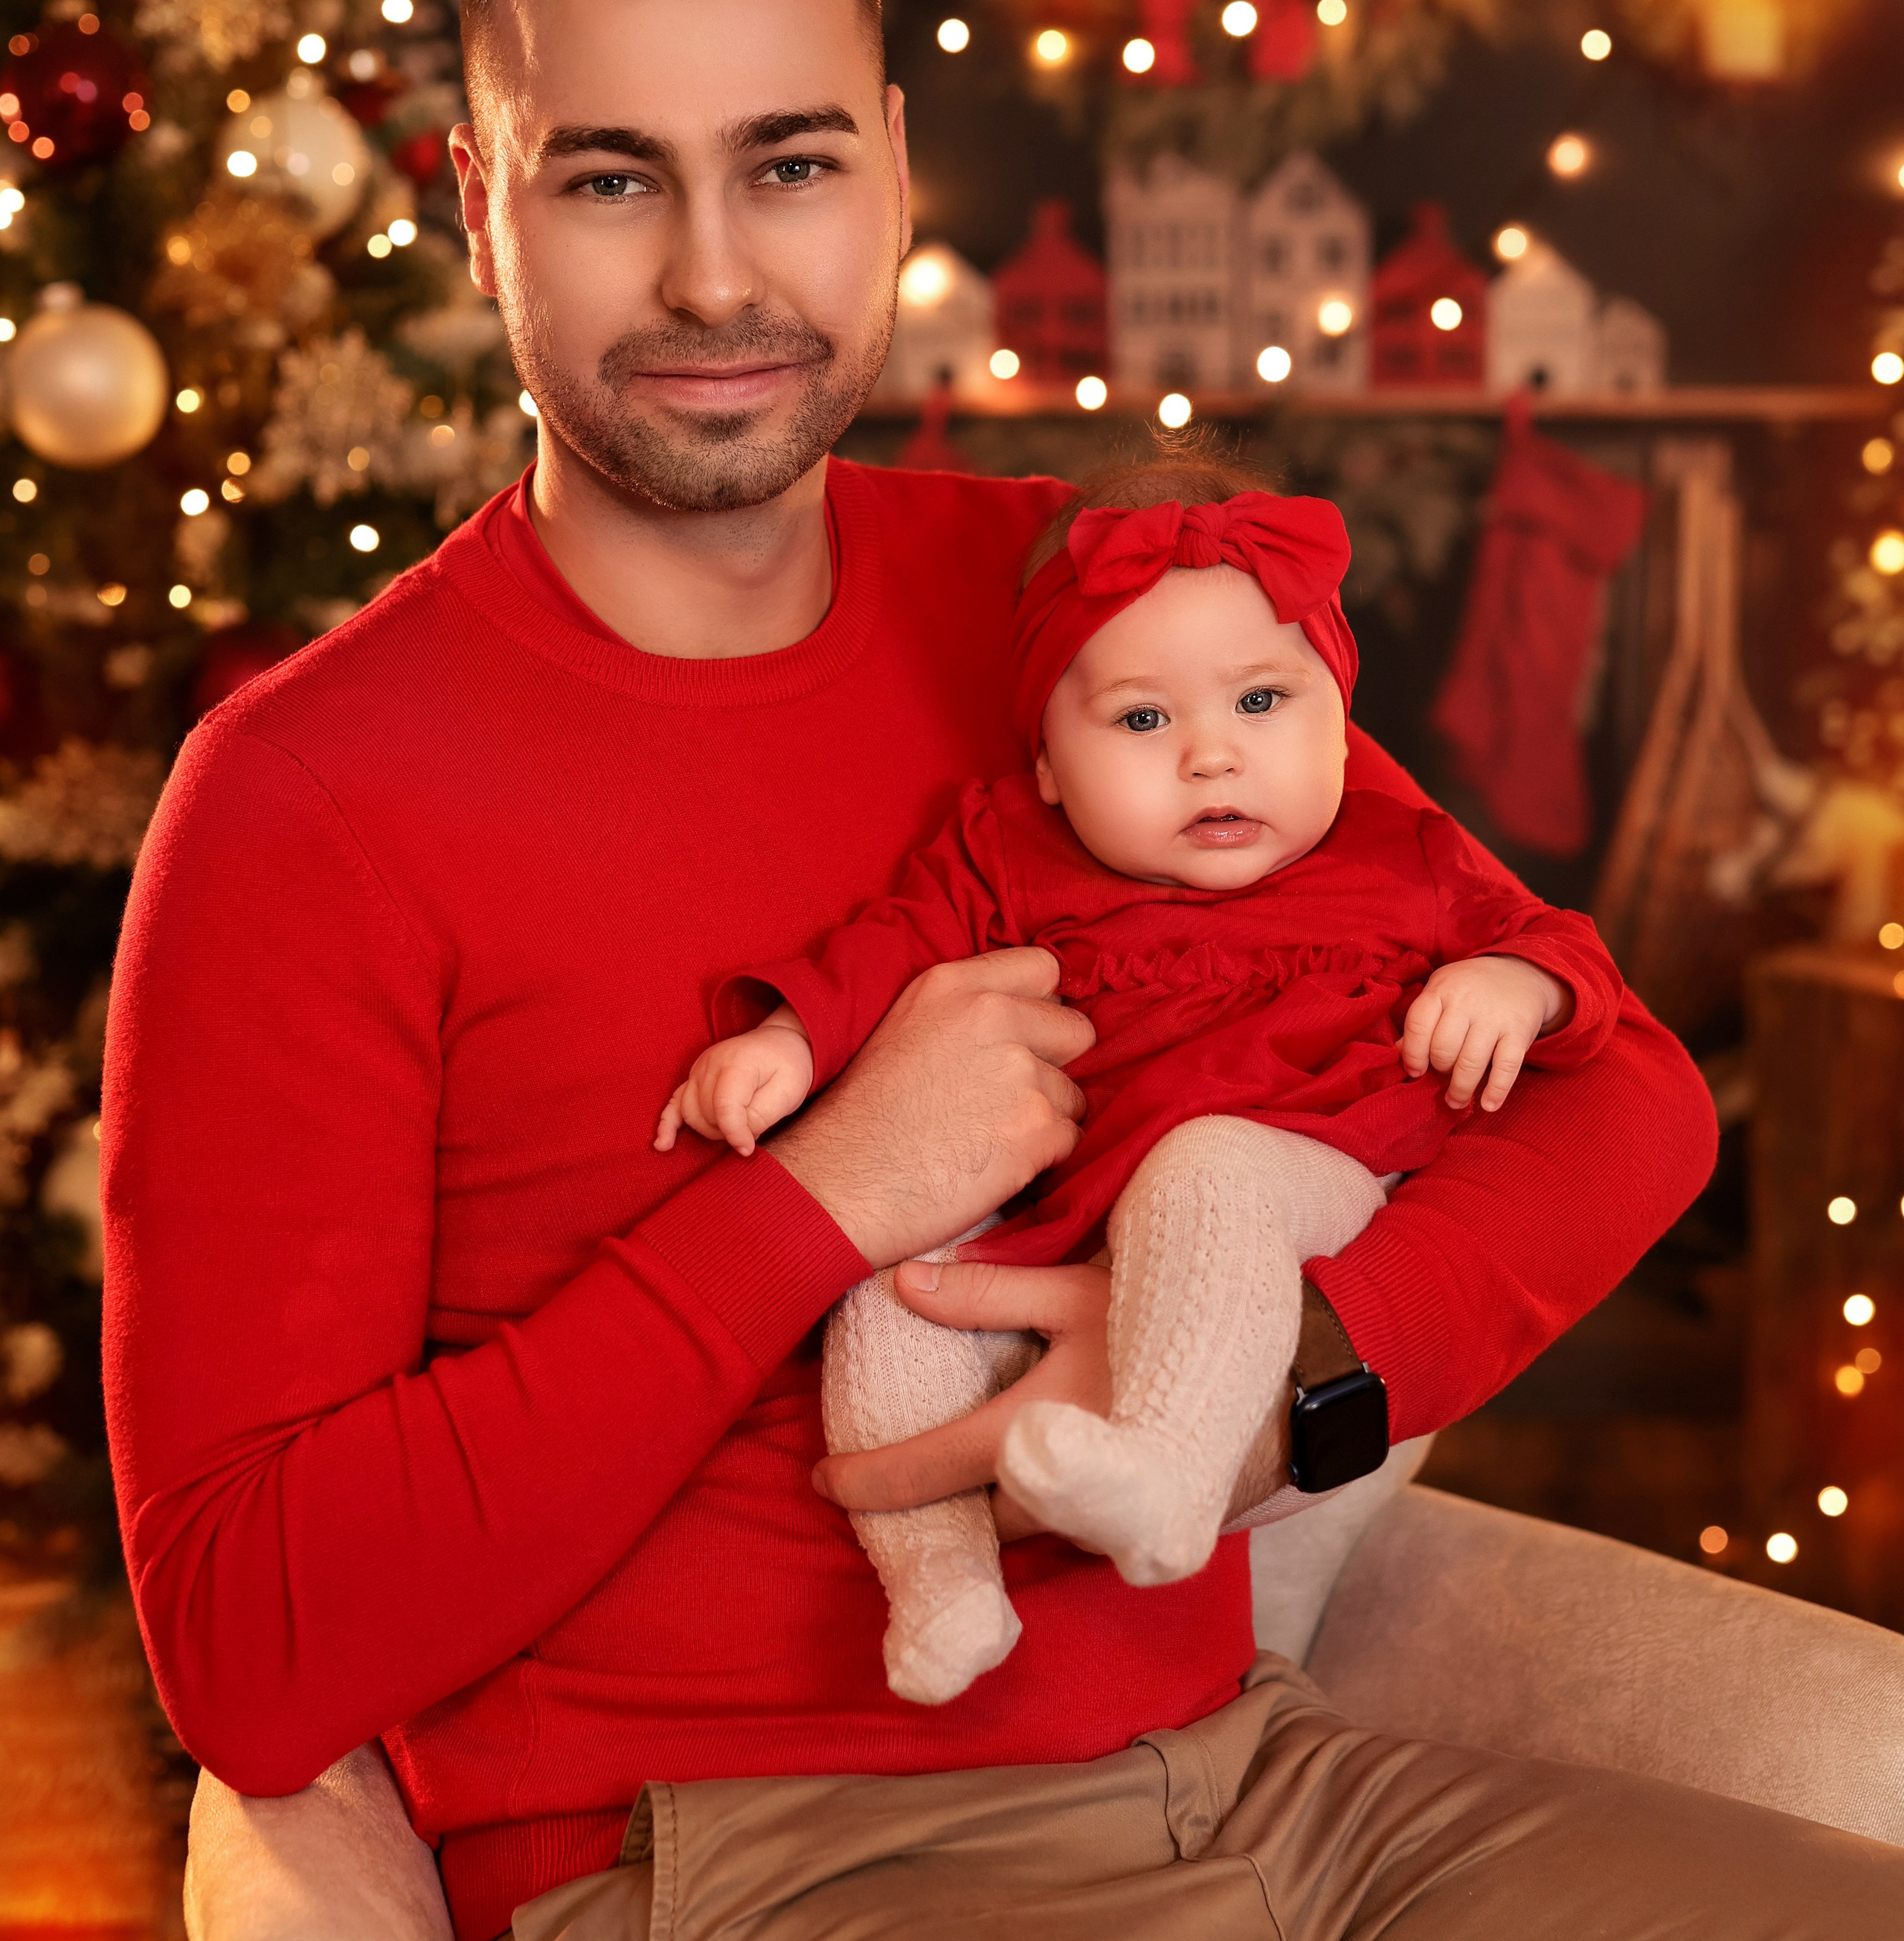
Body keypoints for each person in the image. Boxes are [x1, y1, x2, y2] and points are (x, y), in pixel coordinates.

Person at [101, 0, 1904, 1941]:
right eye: (609, 175)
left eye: (789, 159)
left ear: (892, 165)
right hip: (747, 1884)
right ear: (480, 206)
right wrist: (823, 1197)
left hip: (1274, 1794)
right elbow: (253, 1646)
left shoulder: (1086, 613)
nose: (716, 278)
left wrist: (1284, 1391)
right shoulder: (306, 797)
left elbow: (1616, 1085)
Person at [661, 470, 1624, 1704]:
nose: (1213, 754)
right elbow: (892, 943)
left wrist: (1515, 983)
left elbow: (1571, 958)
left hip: (1308, 1183)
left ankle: (1167, 1471)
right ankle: (943, 1580)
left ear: (1341, 724)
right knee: (899, 1289)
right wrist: (792, 1038)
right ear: (1051, 763)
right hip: (1082, 1211)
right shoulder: (1008, 850)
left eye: (1264, 701)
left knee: (1209, 1161)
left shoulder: (1406, 857)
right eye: (1140, 722)